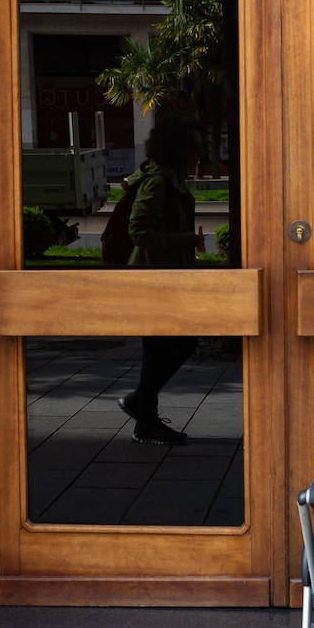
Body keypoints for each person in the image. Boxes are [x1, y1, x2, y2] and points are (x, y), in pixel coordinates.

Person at [116, 112, 205, 443]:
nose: (199, 153)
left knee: (169, 346)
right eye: (194, 146)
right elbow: (139, 231)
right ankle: (144, 416)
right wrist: (187, 240)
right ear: (177, 148)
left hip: (168, 278)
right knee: (164, 346)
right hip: (152, 279)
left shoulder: (172, 179)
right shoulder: (158, 182)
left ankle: (142, 409)